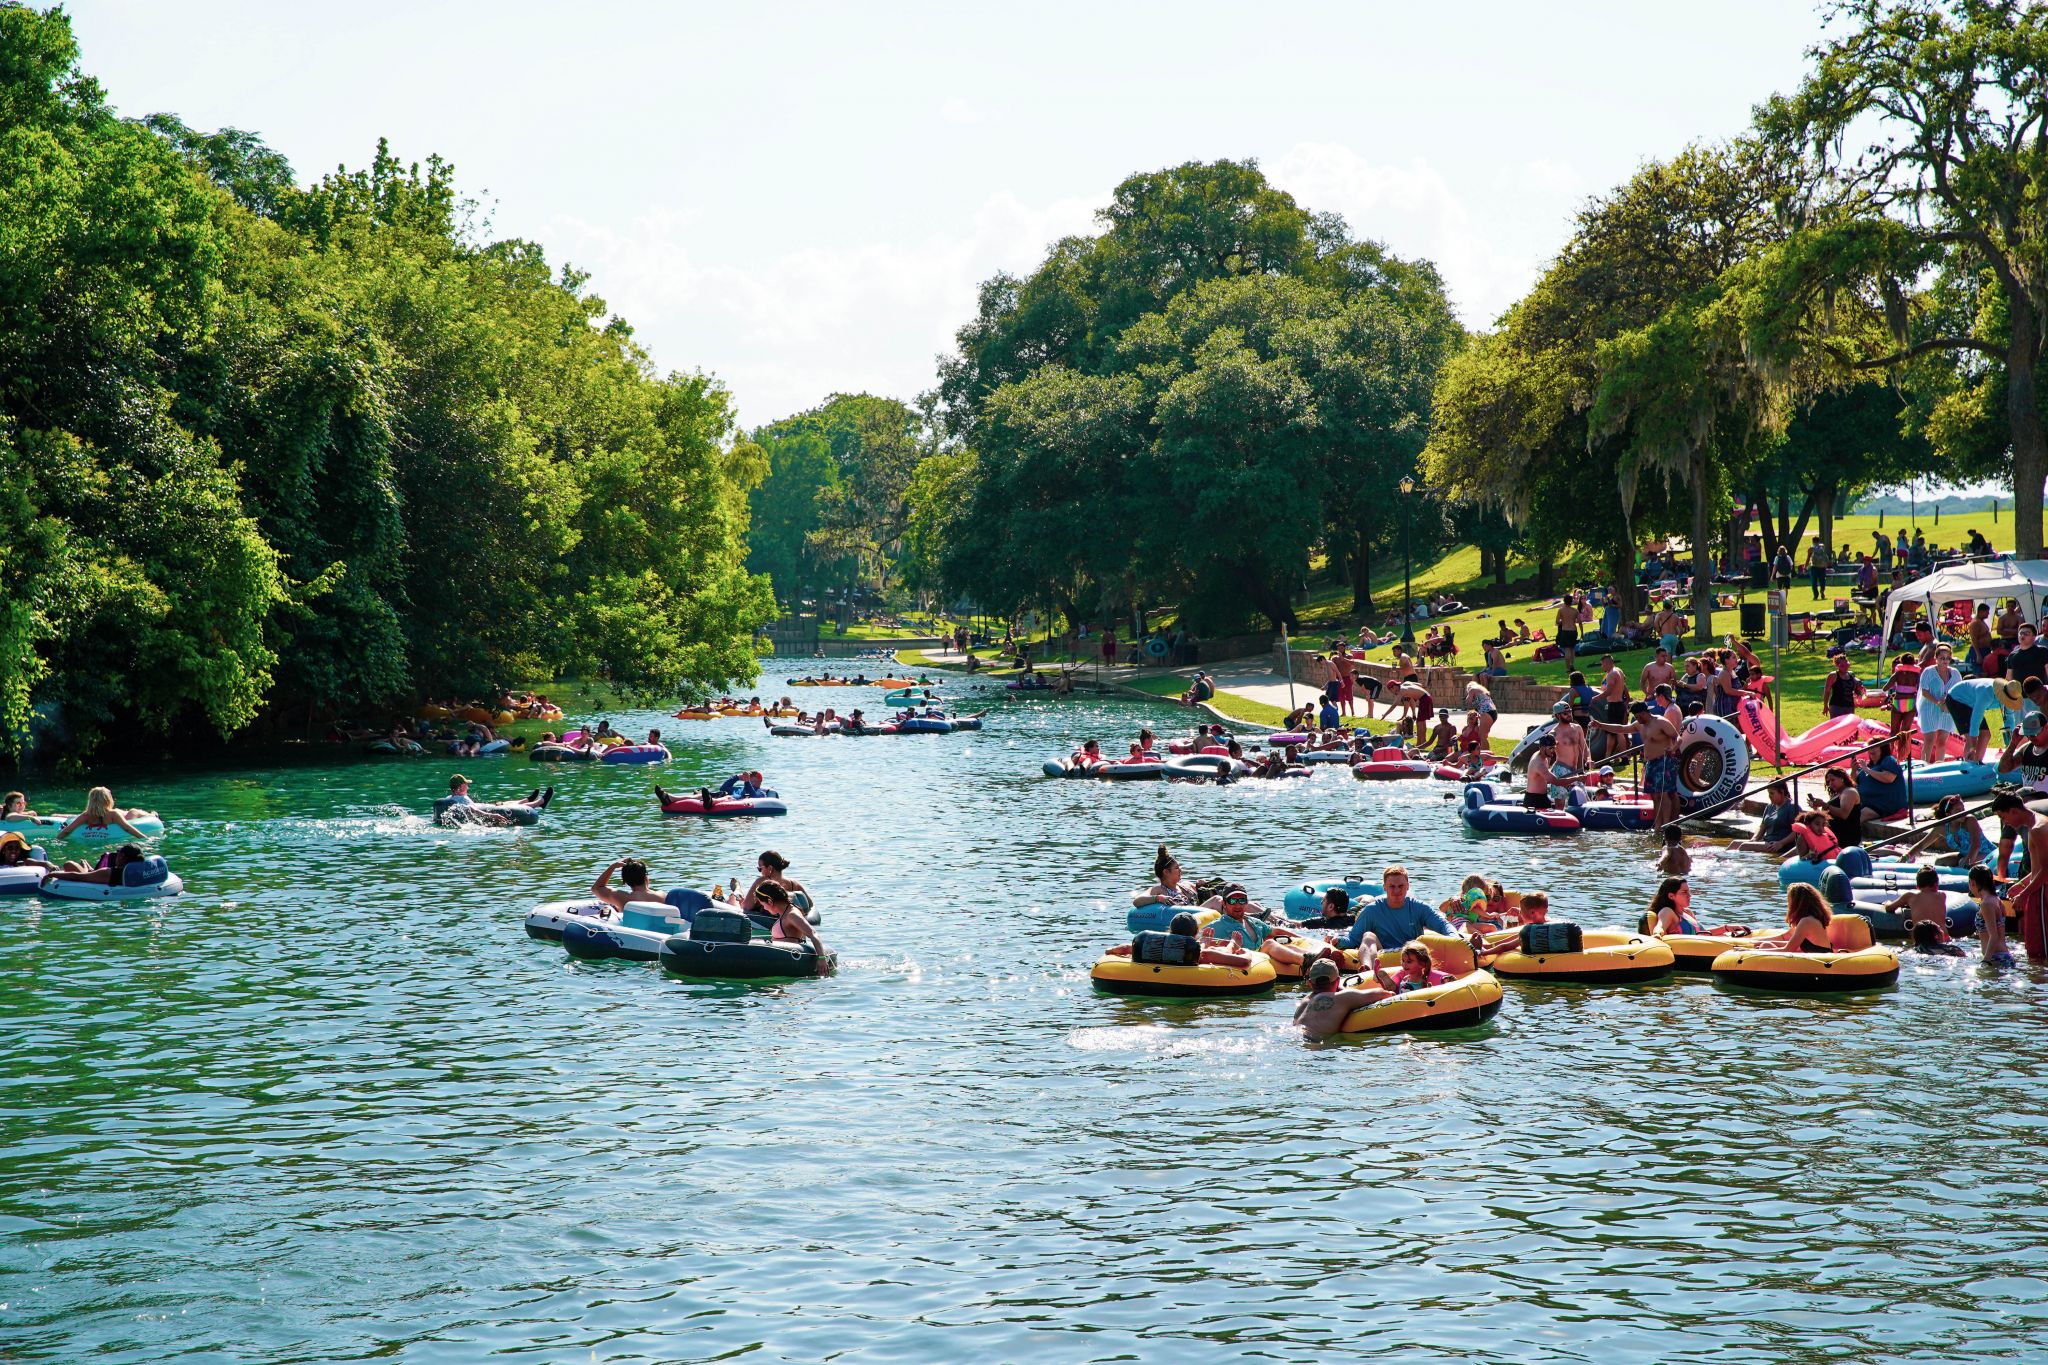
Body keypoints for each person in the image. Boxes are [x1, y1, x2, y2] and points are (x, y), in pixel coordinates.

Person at [1200, 886, 1333, 971]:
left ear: (1247, 903)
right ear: (1224, 904)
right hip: (1250, 963)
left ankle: (1318, 959)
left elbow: (1276, 931)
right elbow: (1201, 943)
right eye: (1233, 901)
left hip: (1266, 962)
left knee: (1287, 945)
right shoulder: (1218, 925)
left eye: (1242, 900)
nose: (1238, 905)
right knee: (1269, 944)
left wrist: (1305, 939)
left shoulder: (1253, 922)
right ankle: (1305, 961)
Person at [1335, 866, 1451, 950]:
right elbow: (1353, 939)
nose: (1396, 891)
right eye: (1392, 886)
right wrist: (1337, 941)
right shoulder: (1372, 910)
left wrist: (1454, 938)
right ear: (1385, 887)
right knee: (1368, 936)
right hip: (1383, 957)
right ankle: (1368, 971)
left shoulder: (1419, 908)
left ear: (1407, 887)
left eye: (1401, 886)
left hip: (1411, 957)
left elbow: (1442, 924)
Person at [1292, 957, 1391, 1039]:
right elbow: (1384, 994)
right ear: (1338, 980)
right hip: (1314, 1045)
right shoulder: (1343, 997)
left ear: (1309, 983)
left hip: (1295, 1037)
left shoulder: (1304, 1001)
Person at [1754, 883, 1835, 954]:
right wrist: (1760, 942)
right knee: (1766, 944)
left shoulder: (1807, 921)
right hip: (1817, 957)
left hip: (1819, 963)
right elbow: (1792, 944)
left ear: (1797, 902)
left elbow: (1787, 949)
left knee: (1765, 946)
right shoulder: (1813, 918)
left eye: (1789, 901)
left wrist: (1750, 952)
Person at [1882, 868, 1955, 944]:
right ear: (1936, 884)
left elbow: (1889, 908)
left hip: (1922, 940)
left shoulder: (1910, 896)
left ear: (1917, 885)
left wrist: (1887, 902)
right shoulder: (1942, 896)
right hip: (1943, 937)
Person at [1853, 736, 1910, 833]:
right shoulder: (1868, 766)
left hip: (1884, 804)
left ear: (1882, 748)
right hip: (1867, 803)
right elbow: (1854, 782)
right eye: (1870, 747)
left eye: (1875, 747)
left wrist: (1867, 770)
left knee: (1858, 816)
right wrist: (1854, 770)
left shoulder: (1888, 760)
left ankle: (1847, 839)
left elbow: (1889, 778)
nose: (1871, 749)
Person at [54, 787, 154, 841]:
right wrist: (145, 839)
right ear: (107, 800)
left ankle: (152, 815)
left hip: (97, 830)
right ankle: (152, 815)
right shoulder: (113, 814)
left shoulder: (86, 815)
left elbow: (67, 831)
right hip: (123, 820)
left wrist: (57, 840)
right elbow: (127, 828)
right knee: (133, 811)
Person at [42, 842, 148, 887]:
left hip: (101, 890)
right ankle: (87, 868)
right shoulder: (141, 870)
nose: (116, 855)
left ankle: (86, 867)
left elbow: (78, 877)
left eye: (118, 853)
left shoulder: (110, 872)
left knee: (69, 865)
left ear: (122, 857)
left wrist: (52, 874)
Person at [1735, 781, 1800, 854]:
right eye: (1768, 793)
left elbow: (1797, 831)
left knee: (1745, 846)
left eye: (1772, 793)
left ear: (1781, 792)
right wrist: (1754, 839)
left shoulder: (1792, 807)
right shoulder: (1770, 807)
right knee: (1734, 844)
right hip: (1767, 841)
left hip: (1779, 844)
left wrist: (1781, 843)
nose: (1769, 796)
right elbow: (1762, 826)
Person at [741, 850, 811, 914]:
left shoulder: (762, 881)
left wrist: (742, 902)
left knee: (734, 898)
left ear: (770, 868)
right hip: (785, 920)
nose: (760, 872)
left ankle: (737, 890)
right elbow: (810, 904)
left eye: (760, 868)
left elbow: (746, 907)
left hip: (768, 922)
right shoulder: (794, 884)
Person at [1972, 865, 2014, 968]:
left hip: (1995, 958)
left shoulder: (1986, 903)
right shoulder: (1997, 899)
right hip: (2004, 957)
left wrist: (1985, 961)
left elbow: (1993, 936)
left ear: (1972, 882)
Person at [1812, 768, 1861, 851]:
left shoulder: (1849, 792)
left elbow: (1844, 814)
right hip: (1833, 833)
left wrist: (1824, 804)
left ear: (1842, 778)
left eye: (1832, 780)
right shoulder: (1837, 794)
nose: (1830, 784)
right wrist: (1815, 807)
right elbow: (1826, 816)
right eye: (1828, 782)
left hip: (1846, 836)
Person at [589, 857, 666, 910]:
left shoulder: (622, 898)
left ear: (625, 882)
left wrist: (613, 867)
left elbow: (596, 888)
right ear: (646, 877)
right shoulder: (662, 895)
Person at [1822, 653, 1867, 719]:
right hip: (1836, 706)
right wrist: (1825, 706)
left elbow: (1856, 689)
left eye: (1846, 665)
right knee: (1837, 726)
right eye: (1843, 666)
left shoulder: (1851, 674)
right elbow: (1827, 691)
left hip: (1849, 706)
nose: (1845, 667)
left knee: (1849, 727)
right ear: (1837, 665)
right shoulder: (1833, 675)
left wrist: (1860, 688)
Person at [1554, 592, 1580, 672]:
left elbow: (1557, 621)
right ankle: (1572, 664)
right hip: (1573, 631)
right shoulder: (1575, 610)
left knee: (1567, 649)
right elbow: (1580, 622)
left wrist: (1563, 621)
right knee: (1572, 648)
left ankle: (1567, 668)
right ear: (1571, 601)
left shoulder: (1561, 610)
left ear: (1564, 601)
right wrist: (1582, 633)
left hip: (1565, 631)